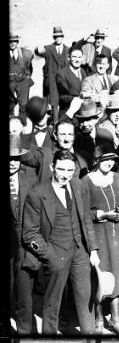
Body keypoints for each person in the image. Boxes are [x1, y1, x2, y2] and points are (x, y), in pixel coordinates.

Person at [22, 149, 100, 334]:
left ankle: (88, 333)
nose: (65, 175)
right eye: (61, 169)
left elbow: (86, 218)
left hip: (80, 250)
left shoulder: (79, 185)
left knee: (85, 295)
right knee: (52, 301)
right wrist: (50, 255)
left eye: (70, 170)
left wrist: (93, 249)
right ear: (52, 167)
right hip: (56, 252)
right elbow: (30, 234)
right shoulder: (37, 194)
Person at [81, 145, 119, 334]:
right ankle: (99, 320)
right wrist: (102, 214)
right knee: (100, 279)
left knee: (116, 277)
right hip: (98, 236)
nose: (109, 163)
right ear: (97, 161)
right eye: (105, 160)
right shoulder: (86, 181)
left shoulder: (117, 178)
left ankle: (116, 319)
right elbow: (84, 212)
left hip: (117, 234)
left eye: (112, 160)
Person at [10, 135, 39, 335]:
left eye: (15, 158)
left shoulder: (29, 178)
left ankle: (25, 329)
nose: (11, 163)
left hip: (23, 242)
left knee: (23, 287)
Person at [35, 26, 70, 119]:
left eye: (59, 36)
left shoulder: (67, 50)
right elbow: (38, 52)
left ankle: (62, 121)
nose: (57, 38)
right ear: (53, 38)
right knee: (54, 102)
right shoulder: (48, 48)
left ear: (62, 37)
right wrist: (38, 49)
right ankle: (55, 123)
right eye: (55, 37)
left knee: (64, 101)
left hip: (63, 80)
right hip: (51, 80)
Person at [56, 47, 88, 118]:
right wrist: (81, 96)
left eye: (79, 57)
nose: (77, 60)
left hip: (83, 112)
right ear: (68, 58)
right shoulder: (62, 74)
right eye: (74, 57)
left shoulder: (83, 72)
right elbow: (63, 97)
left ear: (83, 58)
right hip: (68, 113)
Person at [9, 33, 34, 119]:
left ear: (17, 42)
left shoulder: (26, 53)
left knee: (23, 105)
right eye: (10, 41)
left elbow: (30, 67)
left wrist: (27, 77)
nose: (12, 43)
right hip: (10, 82)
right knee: (10, 104)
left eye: (14, 41)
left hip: (22, 81)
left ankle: (23, 123)